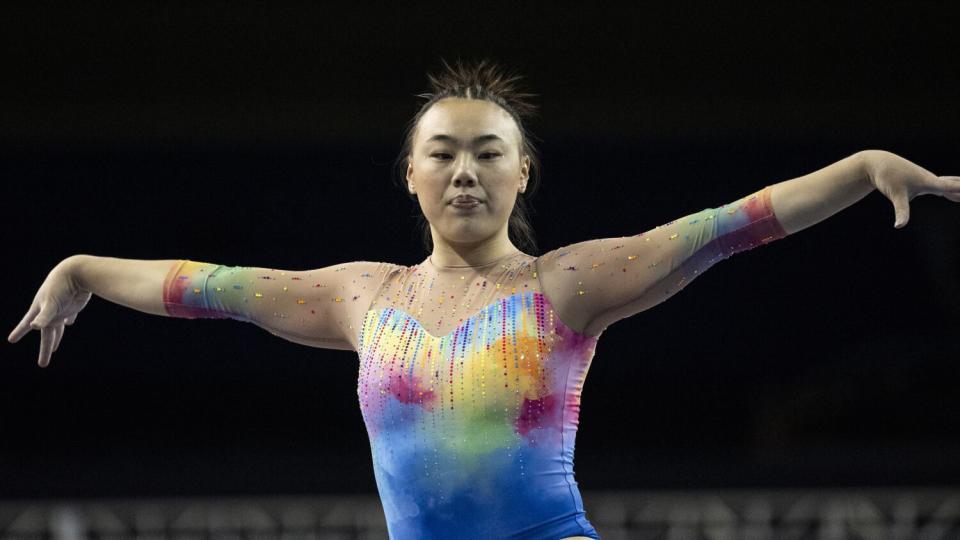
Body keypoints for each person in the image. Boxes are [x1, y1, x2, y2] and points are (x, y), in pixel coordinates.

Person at [8, 58, 959, 540]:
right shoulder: (360, 298)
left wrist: (861, 166)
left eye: (488, 153)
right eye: (444, 154)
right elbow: (210, 290)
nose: (465, 172)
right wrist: (85, 269)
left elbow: (726, 226)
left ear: (522, 174)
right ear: (410, 176)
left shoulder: (568, 285)